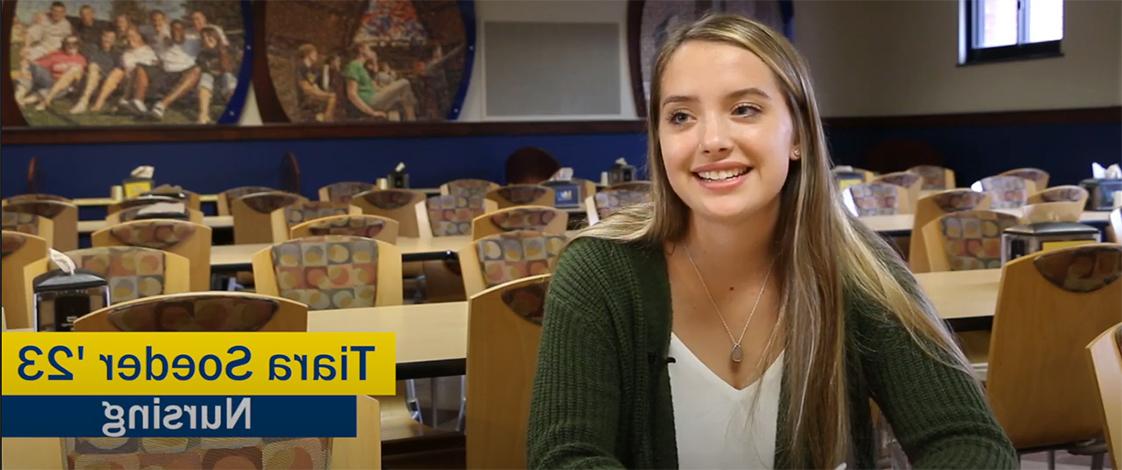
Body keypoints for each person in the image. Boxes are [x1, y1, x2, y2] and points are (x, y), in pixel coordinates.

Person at [527, 15, 1017, 470]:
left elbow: (970, 442)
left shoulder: (856, 268)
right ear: (658, 141)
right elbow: (565, 458)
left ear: (798, 135)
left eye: (744, 109)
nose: (711, 139)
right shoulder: (600, 272)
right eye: (680, 117)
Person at [135, 20, 200, 119]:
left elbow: (211, 37)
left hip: (184, 74)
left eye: (178, 29)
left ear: (184, 31)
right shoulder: (164, 42)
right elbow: (145, 36)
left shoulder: (193, 41)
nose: (176, 31)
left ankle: (161, 106)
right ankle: (138, 104)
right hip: (165, 75)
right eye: (173, 29)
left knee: (196, 70)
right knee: (140, 67)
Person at [342, 42, 417, 121]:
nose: (372, 52)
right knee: (404, 83)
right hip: (371, 101)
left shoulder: (361, 68)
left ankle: (405, 124)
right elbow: (351, 94)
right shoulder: (354, 65)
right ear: (361, 50)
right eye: (369, 49)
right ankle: (412, 121)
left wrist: (375, 61)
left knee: (401, 102)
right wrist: (372, 112)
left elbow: (372, 86)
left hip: (374, 97)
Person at [90, 27, 157, 113]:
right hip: (125, 82)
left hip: (141, 84)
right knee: (118, 71)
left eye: (133, 36)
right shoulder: (126, 52)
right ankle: (99, 102)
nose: (130, 39)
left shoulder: (148, 51)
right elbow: (124, 67)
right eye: (128, 37)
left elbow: (149, 70)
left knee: (136, 69)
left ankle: (124, 99)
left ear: (139, 36)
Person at [15, 35, 86, 111]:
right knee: (31, 70)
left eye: (74, 43)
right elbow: (38, 65)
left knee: (53, 90)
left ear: (78, 45)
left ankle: (23, 101)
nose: (71, 45)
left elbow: (79, 77)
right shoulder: (57, 55)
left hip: (63, 87)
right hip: (48, 80)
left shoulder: (81, 59)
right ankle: (18, 96)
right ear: (64, 45)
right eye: (68, 43)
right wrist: (26, 63)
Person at [70, 29, 119, 114]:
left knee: (94, 66)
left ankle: (83, 101)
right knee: (74, 69)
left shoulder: (116, 54)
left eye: (111, 38)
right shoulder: (92, 48)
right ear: (101, 37)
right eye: (105, 36)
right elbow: (79, 54)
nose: (107, 40)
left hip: (101, 84)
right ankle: (47, 98)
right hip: (86, 79)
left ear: (114, 41)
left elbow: (116, 73)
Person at [195, 26, 237, 124]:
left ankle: (233, 111)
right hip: (211, 85)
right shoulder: (202, 54)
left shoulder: (228, 49)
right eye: (203, 37)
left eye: (209, 36)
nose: (206, 39)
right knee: (205, 77)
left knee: (228, 76)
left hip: (227, 84)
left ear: (216, 37)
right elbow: (204, 70)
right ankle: (203, 114)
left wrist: (222, 51)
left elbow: (229, 69)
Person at [294, 43, 337, 122]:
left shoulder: (311, 69)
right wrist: (324, 95)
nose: (316, 55)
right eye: (314, 52)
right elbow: (306, 88)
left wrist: (323, 93)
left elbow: (314, 85)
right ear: (308, 54)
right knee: (332, 97)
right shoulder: (301, 67)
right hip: (306, 101)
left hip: (312, 98)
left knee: (332, 97)